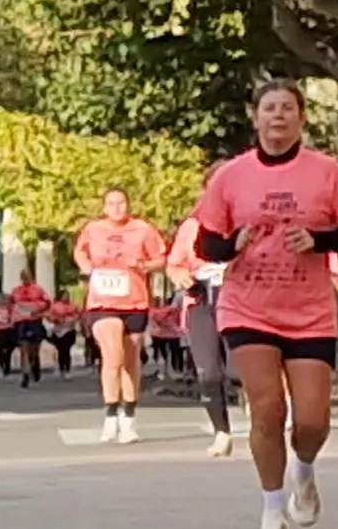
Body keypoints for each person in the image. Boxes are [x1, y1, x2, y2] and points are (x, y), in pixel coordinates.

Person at [192, 79, 338, 529]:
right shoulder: (230, 176)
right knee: (267, 408)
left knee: (312, 421)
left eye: (288, 109)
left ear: (301, 119)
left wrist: (320, 239)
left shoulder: (326, 172)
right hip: (248, 307)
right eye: (270, 108)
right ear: (256, 118)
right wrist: (234, 244)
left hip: (309, 309)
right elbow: (206, 244)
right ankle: (272, 511)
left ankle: (305, 471)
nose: (278, 116)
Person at [73, 189, 165, 443]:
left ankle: (129, 417)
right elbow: (80, 252)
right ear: (104, 207)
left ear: (128, 204)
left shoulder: (142, 229)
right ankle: (111, 414)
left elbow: (161, 258)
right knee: (113, 356)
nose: (117, 208)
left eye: (121, 202)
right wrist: (86, 267)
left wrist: (144, 266)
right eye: (111, 203)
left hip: (134, 301)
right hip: (103, 303)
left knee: (131, 361)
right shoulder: (93, 229)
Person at [170, 213, 237, 459]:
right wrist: (179, 275)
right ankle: (221, 433)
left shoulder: (247, 218)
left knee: (238, 372)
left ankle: (253, 409)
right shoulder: (191, 225)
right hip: (201, 303)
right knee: (208, 372)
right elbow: (174, 264)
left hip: (239, 305)